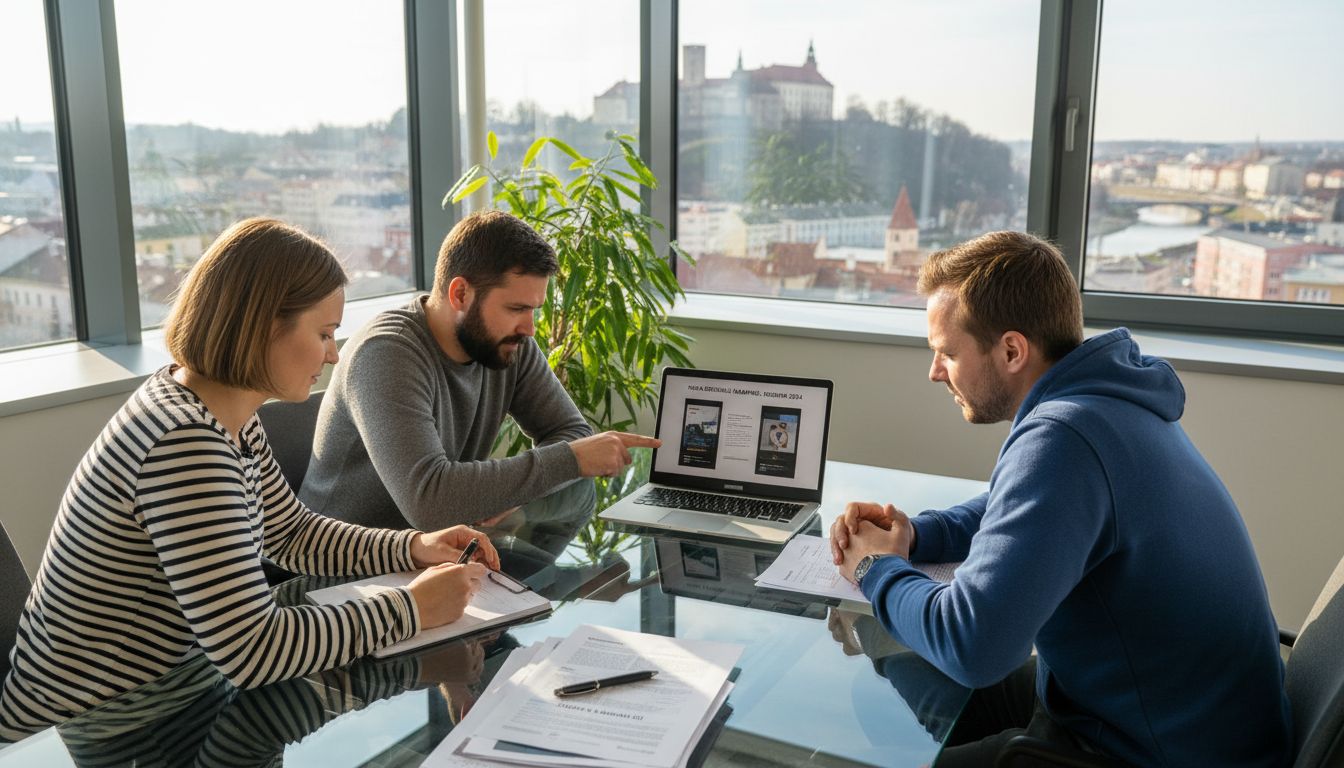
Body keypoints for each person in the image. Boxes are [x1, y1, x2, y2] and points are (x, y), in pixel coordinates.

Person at [0, 218, 499, 742]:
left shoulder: (216, 410)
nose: (333, 353)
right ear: (263, 326)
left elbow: (290, 534)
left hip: (172, 694)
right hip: (94, 725)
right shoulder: (184, 442)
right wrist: (412, 609)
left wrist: (413, 547)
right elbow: (252, 650)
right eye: (324, 333)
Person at [828, 231, 1291, 767]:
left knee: (846, 753)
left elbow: (973, 646)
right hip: (1166, 712)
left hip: (1149, 752)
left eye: (947, 353)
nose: (935, 372)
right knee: (887, 670)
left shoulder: (1063, 440)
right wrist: (916, 534)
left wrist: (875, 568)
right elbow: (1014, 507)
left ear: (1011, 350)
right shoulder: (1107, 402)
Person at [301, 210, 659, 532]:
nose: (530, 328)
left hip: (434, 557)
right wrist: (566, 462)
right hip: (340, 568)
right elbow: (430, 502)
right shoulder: (386, 353)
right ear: (460, 294)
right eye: (516, 308)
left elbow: (570, 431)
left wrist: (513, 491)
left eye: (533, 309)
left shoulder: (507, 342)